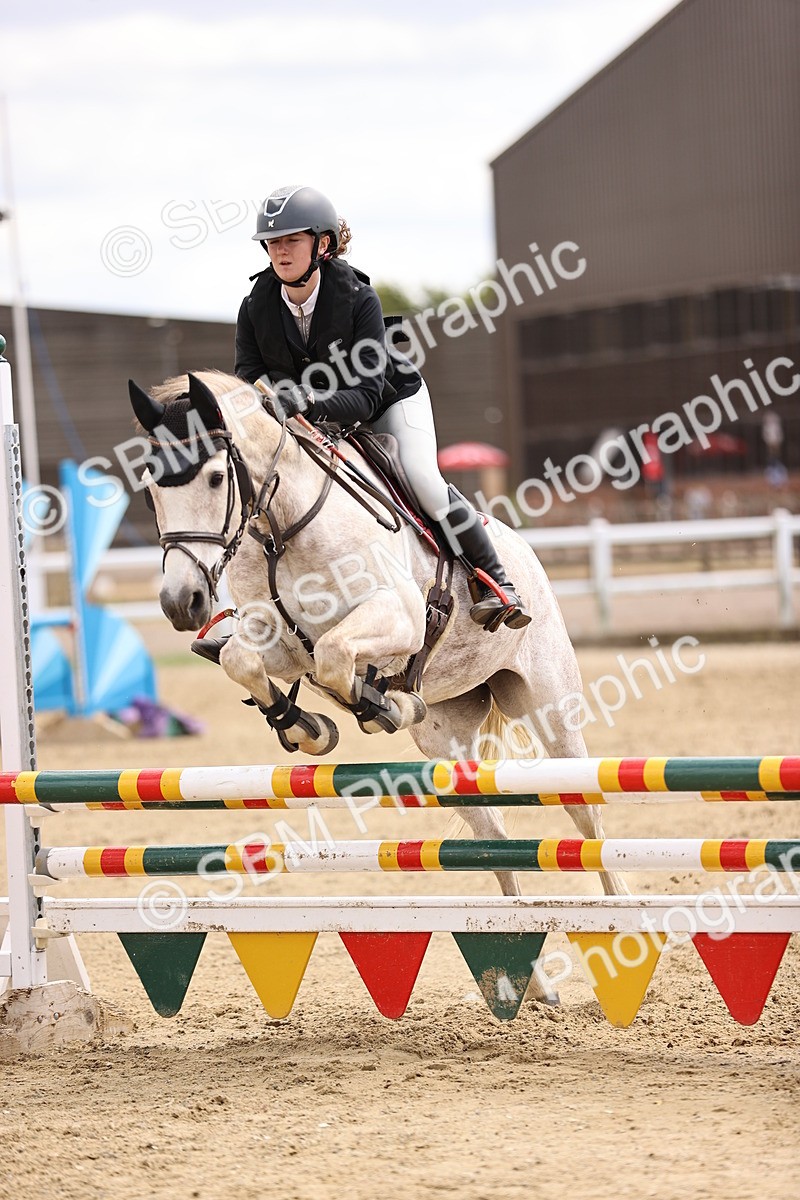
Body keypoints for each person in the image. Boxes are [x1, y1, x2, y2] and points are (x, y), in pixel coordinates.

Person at [234, 184, 530, 630]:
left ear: (323, 244)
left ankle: (497, 582)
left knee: (424, 481)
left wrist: (309, 400)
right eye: (273, 243)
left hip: (387, 401)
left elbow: (367, 395)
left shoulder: (357, 298)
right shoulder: (255, 304)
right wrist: (274, 396)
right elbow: (247, 369)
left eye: (291, 240)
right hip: (305, 415)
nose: (280, 251)